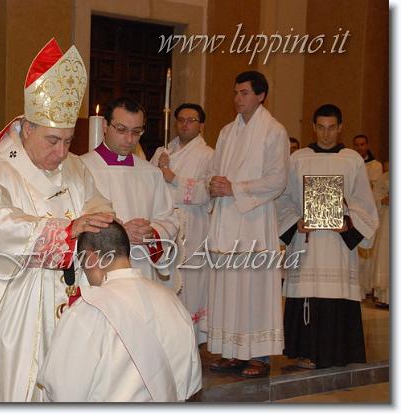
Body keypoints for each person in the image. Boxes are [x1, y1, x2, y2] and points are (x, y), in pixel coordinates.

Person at [0, 39, 114, 402]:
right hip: (16, 300)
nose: (61, 152)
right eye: (52, 140)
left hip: (75, 296)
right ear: (26, 128)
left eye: (68, 141)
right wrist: (65, 231)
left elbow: (97, 204)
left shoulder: (75, 167)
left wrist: (98, 221)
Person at [37, 221, 202, 402]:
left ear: (91, 258)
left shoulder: (86, 311)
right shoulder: (172, 301)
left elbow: (62, 391)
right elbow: (191, 384)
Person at [276, 104, 379, 369]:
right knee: (307, 294)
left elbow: (364, 203)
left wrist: (348, 223)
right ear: (313, 127)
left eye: (331, 128)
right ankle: (305, 352)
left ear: (340, 128)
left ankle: (337, 353)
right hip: (307, 243)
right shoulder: (298, 159)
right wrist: (296, 223)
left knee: (336, 294)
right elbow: (284, 200)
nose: (326, 134)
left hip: (337, 245)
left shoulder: (352, 160)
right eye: (321, 127)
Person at [206, 70, 288, 378]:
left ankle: (259, 357)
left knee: (254, 288)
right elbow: (213, 170)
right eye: (236, 92)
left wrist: (235, 189)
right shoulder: (227, 131)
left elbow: (277, 180)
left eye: (244, 93)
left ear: (260, 95)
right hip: (227, 219)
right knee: (229, 287)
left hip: (254, 219)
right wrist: (213, 184)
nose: (237, 98)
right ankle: (232, 351)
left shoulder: (274, 131)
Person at [80, 97, 178, 287]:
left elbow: (169, 219)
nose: (129, 139)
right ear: (105, 125)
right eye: (121, 129)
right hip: (101, 268)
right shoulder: (81, 168)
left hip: (142, 266)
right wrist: (120, 233)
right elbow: (75, 220)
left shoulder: (151, 173)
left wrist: (152, 233)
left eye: (136, 131)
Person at [150, 103, 214, 344]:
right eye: (181, 120)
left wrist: (173, 178)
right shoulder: (162, 152)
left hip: (193, 226)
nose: (185, 124)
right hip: (165, 223)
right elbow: (149, 185)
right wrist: (158, 170)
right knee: (163, 280)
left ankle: (190, 339)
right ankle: (167, 338)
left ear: (201, 125)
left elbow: (207, 192)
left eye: (191, 120)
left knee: (190, 282)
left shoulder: (209, 155)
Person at [352, 134, 383, 298]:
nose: (359, 148)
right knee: (355, 253)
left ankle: (366, 287)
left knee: (367, 252)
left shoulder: (375, 165)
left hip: (368, 210)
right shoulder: (351, 162)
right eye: (357, 145)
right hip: (354, 210)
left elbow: (374, 188)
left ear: (367, 145)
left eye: (362, 144)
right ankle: (357, 289)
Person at [369, 163, 389, 307]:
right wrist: (382, 200)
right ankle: (386, 298)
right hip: (387, 220)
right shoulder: (385, 177)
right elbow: (374, 196)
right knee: (386, 255)